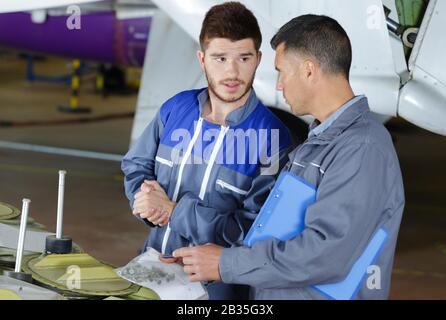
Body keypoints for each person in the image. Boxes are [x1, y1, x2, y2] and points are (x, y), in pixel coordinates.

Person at [171, 14, 405, 300]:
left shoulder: (362, 149)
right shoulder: (321, 141)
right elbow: (278, 228)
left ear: (309, 70)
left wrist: (225, 263)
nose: (279, 85)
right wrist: (206, 258)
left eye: (282, 71)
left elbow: (325, 254)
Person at [121, 2, 292, 300]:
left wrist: (175, 212)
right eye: (220, 58)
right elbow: (136, 166)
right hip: (152, 270)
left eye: (244, 57)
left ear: (258, 59)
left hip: (217, 291)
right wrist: (147, 202)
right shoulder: (175, 109)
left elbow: (253, 232)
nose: (232, 71)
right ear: (202, 59)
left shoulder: (272, 138)